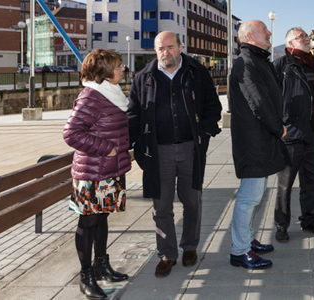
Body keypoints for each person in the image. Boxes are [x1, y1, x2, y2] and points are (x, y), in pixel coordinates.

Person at [128, 31, 223, 277]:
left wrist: (205, 132)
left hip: (191, 148)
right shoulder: (143, 78)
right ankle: (167, 254)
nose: (165, 53)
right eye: (160, 48)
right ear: (155, 51)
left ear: (181, 47)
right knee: (161, 205)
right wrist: (131, 143)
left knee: (192, 201)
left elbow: (213, 106)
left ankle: (189, 246)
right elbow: (134, 114)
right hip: (158, 153)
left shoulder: (197, 72)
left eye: (170, 47)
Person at [63, 49, 132, 299]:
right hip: (92, 173)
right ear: (104, 71)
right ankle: (86, 276)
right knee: (88, 222)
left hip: (109, 171)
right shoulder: (91, 96)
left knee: (102, 218)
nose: (122, 69)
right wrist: (108, 148)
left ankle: (101, 266)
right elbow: (71, 133)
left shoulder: (110, 93)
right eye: (118, 66)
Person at [228, 20, 285, 269]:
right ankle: (239, 251)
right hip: (253, 142)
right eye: (265, 30)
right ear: (251, 36)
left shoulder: (255, 60)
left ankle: (247, 240)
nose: (270, 32)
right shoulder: (247, 63)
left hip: (259, 139)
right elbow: (259, 102)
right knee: (249, 198)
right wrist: (278, 127)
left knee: (254, 195)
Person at [272, 27, 314, 242]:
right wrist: (281, 126)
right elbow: (271, 99)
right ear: (290, 44)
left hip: (312, 132)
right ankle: (281, 225)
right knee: (285, 184)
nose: (306, 39)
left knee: (311, 181)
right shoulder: (281, 65)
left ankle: (309, 220)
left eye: (306, 36)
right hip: (291, 135)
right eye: (301, 37)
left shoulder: (313, 63)